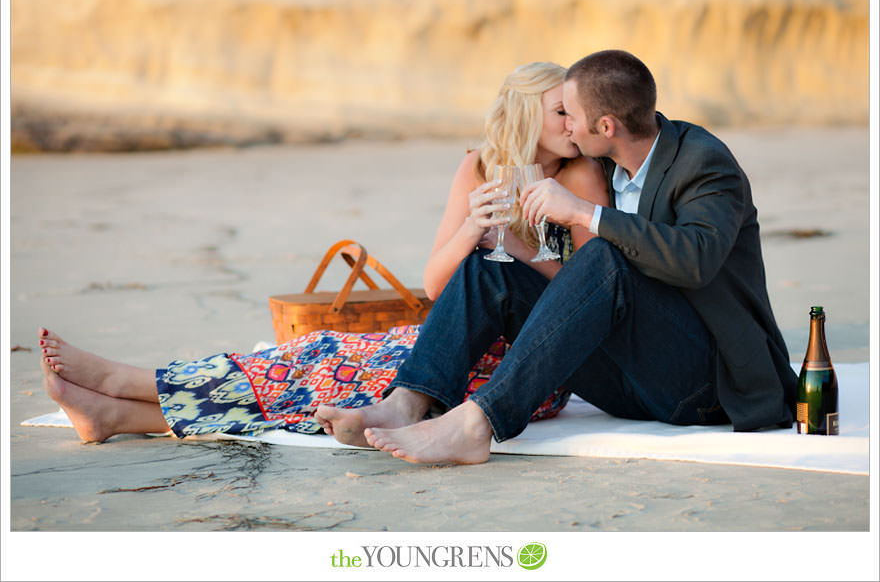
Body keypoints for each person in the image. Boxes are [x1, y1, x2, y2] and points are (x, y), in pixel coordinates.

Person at [38, 61, 609, 444]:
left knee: (340, 378)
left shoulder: (580, 178)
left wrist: (515, 247)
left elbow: (590, 290)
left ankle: (126, 384)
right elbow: (436, 287)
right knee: (318, 352)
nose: (574, 122)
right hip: (451, 340)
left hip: (527, 363)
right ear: (525, 113)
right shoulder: (480, 168)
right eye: (560, 110)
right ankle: (118, 412)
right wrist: (471, 234)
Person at [317, 49, 798, 465]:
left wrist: (586, 214)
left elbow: (696, 259)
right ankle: (407, 403)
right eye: (560, 113)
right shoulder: (606, 158)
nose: (567, 126)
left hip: (706, 385)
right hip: (630, 382)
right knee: (493, 270)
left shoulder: (703, 161)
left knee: (604, 259)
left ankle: (478, 423)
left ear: (605, 126)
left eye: (572, 115)